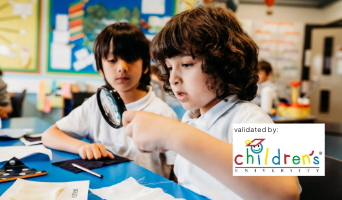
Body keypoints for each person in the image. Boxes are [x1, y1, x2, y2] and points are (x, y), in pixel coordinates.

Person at [122, 6, 299, 200]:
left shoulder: (248, 118)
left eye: (186, 64)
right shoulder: (191, 118)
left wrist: (173, 135)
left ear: (223, 63)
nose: (173, 79)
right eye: (170, 67)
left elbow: (285, 193)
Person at [42, 23, 178, 178]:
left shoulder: (163, 113)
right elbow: (49, 135)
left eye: (131, 58)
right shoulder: (95, 105)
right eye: (112, 60)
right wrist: (81, 147)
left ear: (145, 65)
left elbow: (177, 173)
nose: (122, 67)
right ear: (100, 67)